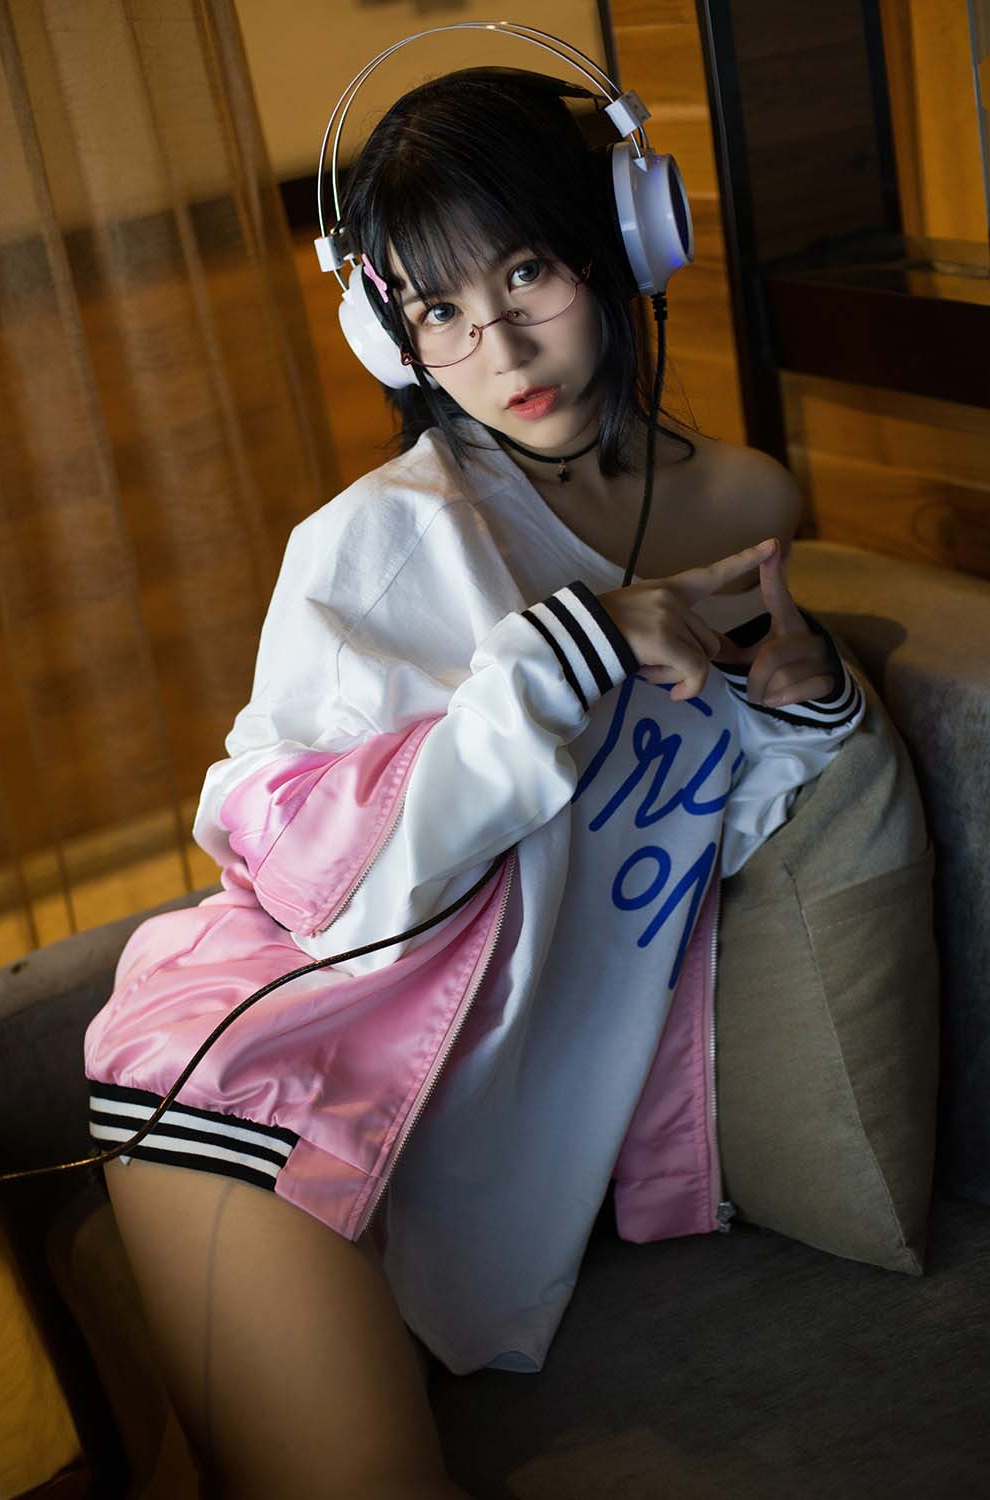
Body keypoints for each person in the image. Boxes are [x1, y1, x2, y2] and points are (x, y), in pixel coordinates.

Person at [86, 66, 864, 1500]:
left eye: (525, 271)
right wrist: (569, 648)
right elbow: (316, 876)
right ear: (389, 337)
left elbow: (671, 820)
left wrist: (804, 714)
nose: (498, 346)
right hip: (271, 1086)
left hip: (498, 1130)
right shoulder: (382, 543)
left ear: (625, 242)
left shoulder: (746, 502)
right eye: (437, 310)